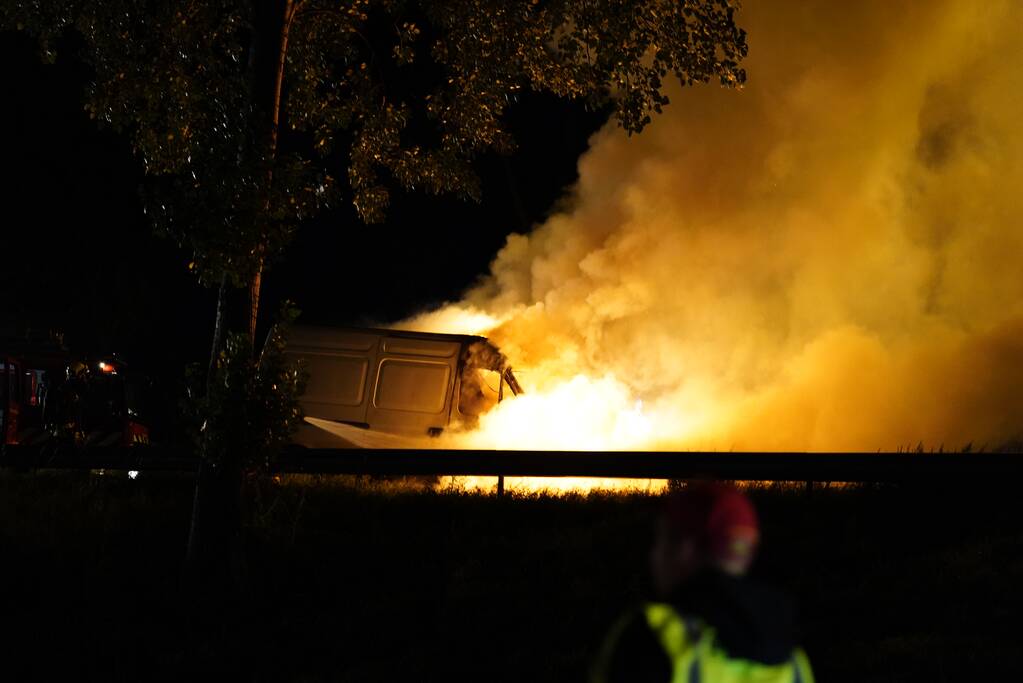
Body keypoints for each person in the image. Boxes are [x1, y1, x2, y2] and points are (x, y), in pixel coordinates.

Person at [592, 483, 814, 683]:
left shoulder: (654, 638)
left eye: (660, 540)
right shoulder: (793, 660)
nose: (654, 556)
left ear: (684, 548)